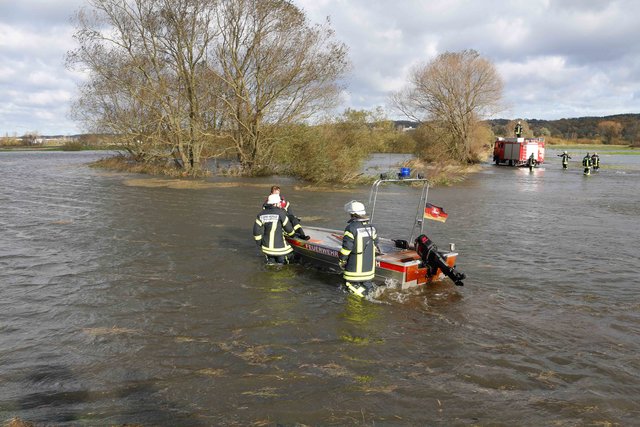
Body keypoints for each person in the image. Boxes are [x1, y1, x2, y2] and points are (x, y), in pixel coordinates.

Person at [338, 200, 379, 298]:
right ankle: (370, 295)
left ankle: (362, 301)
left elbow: (346, 248)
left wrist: (342, 260)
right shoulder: (372, 228)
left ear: (352, 214)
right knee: (367, 286)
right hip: (369, 269)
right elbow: (375, 244)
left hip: (354, 269)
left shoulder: (351, 228)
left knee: (350, 288)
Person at [253, 193, 295, 264]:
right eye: (279, 202)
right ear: (275, 204)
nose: (280, 204)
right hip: (281, 249)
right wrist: (292, 235)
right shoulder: (281, 213)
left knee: (271, 265)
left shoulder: (261, 214)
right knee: (286, 264)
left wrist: (260, 243)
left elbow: (256, 232)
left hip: (267, 249)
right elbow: (289, 229)